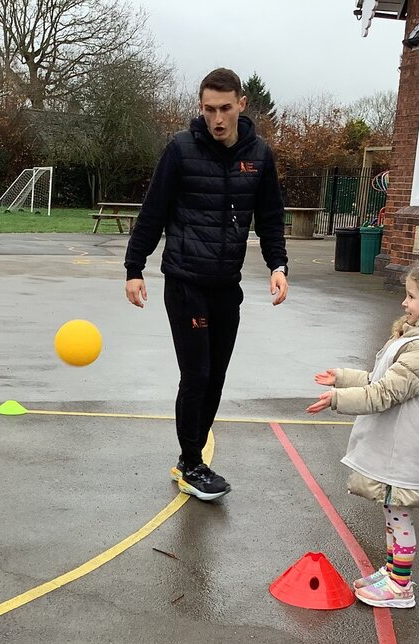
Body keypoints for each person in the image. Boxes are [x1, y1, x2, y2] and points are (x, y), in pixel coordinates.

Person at [123, 67, 289, 502]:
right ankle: (191, 462)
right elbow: (153, 211)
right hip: (185, 282)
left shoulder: (260, 155)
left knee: (215, 375)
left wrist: (278, 265)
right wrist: (134, 267)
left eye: (225, 108)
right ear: (201, 107)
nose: (217, 118)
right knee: (196, 373)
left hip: (226, 286)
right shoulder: (181, 149)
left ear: (241, 105)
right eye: (209, 109)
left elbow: (270, 218)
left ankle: (192, 458)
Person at [306, 261, 419, 608]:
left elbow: (384, 393)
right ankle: (392, 572)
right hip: (401, 447)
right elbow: (383, 379)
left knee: (398, 515)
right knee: (392, 512)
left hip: (406, 450)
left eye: (411, 296)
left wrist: (338, 399)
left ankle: (400, 585)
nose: (404, 302)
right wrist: (343, 377)